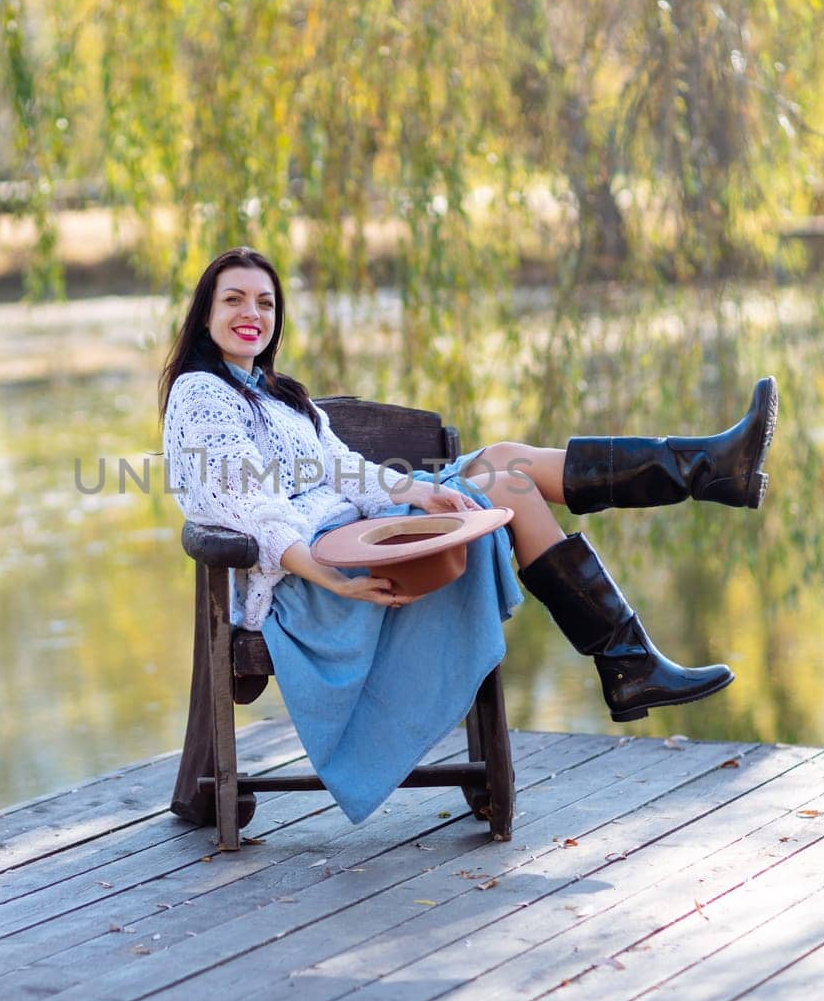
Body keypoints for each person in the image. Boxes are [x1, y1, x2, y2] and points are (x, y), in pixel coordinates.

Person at [159, 247, 776, 824]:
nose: (252, 314)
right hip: (314, 580)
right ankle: (639, 631)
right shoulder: (201, 396)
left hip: (362, 537)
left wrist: (416, 491)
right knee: (507, 479)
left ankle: (702, 486)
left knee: (507, 463)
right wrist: (329, 578)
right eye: (234, 300)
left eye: (265, 302)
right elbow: (251, 508)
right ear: (206, 316)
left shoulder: (282, 396)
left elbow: (346, 471)